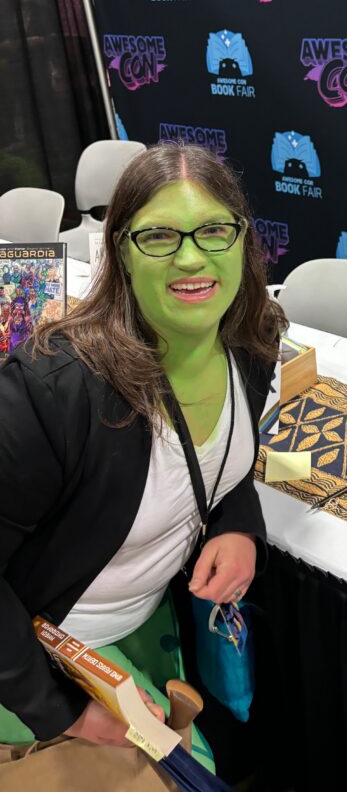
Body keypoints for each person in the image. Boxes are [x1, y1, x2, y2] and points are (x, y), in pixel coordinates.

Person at [0, 143, 284, 778]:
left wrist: (238, 523)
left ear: (243, 241)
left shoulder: (252, 350)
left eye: (214, 229)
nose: (191, 256)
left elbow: (220, 460)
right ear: (121, 252)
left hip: (149, 639)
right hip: (41, 667)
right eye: (158, 236)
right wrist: (64, 712)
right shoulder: (53, 393)